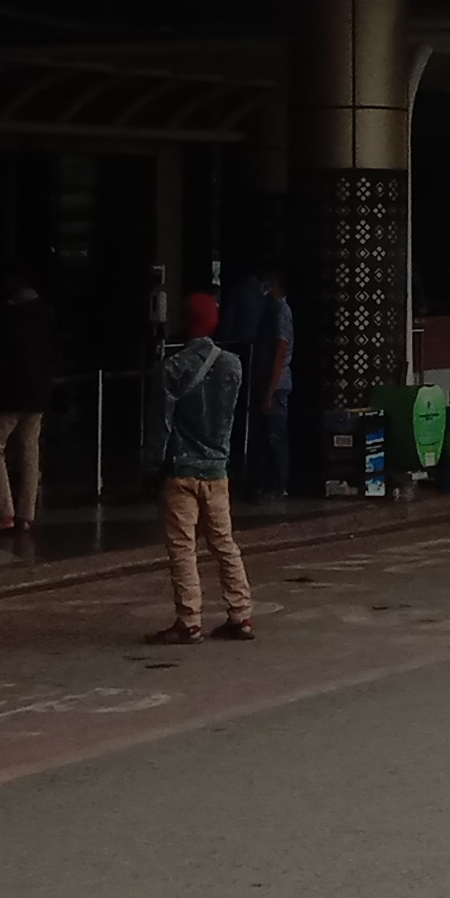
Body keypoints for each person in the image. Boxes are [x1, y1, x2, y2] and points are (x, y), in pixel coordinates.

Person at [144, 291, 251, 644]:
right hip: (217, 469)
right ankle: (241, 614)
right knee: (224, 542)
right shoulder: (233, 366)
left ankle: (189, 620)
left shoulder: (172, 368)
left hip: (181, 469)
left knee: (182, 547)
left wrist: (151, 466)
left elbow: (160, 424)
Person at [0, 270, 65, 533]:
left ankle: (5, 511)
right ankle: (27, 514)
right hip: (39, 394)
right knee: (31, 452)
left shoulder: (7, 317)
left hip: (9, 395)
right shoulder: (47, 314)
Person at [219, 262, 296, 499]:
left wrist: (270, 389)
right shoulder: (270, 309)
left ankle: (278, 484)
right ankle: (263, 481)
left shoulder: (280, 311)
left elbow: (280, 349)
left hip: (276, 384)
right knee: (264, 434)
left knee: (275, 435)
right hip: (268, 381)